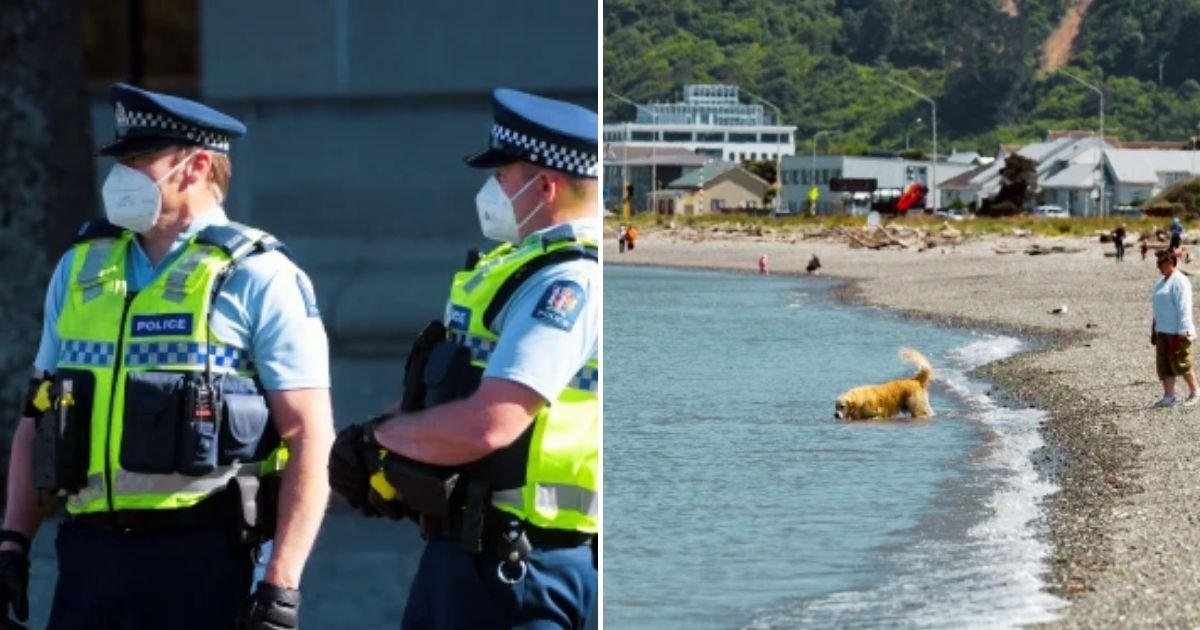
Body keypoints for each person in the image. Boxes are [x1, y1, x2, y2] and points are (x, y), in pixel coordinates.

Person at [0, 83, 334, 629]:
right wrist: (12, 541)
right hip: (90, 558)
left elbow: (309, 436)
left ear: (197, 166)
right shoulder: (80, 268)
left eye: (138, 161)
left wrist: (281, 582)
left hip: (203, 556)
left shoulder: (257, 275)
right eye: (120, 160)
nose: (121, 176)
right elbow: (38, 416)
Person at [329, 89, 599, 628]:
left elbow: (492, 422)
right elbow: (458, 390)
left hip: (520, 567)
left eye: (502, 176)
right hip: (473, 556)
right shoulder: (521, 269)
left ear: (544, 186)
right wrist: (396, 444)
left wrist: (376, 440)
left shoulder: (568, 283)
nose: (491, 189)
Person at [1150, 249, 1199, 408]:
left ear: (1170, 262)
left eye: (1160, 263)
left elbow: (1184, 307)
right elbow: (1157, 307)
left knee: (1181, 363)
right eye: (1157, 263)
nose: (1158, 266)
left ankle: (1195, 391)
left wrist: (1183, 331)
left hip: (1178, 331)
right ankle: (1169, 396)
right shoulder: (1160, 283)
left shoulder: (1180, 281)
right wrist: (1154, 329)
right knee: (1164, 364)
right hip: (1162, 330)